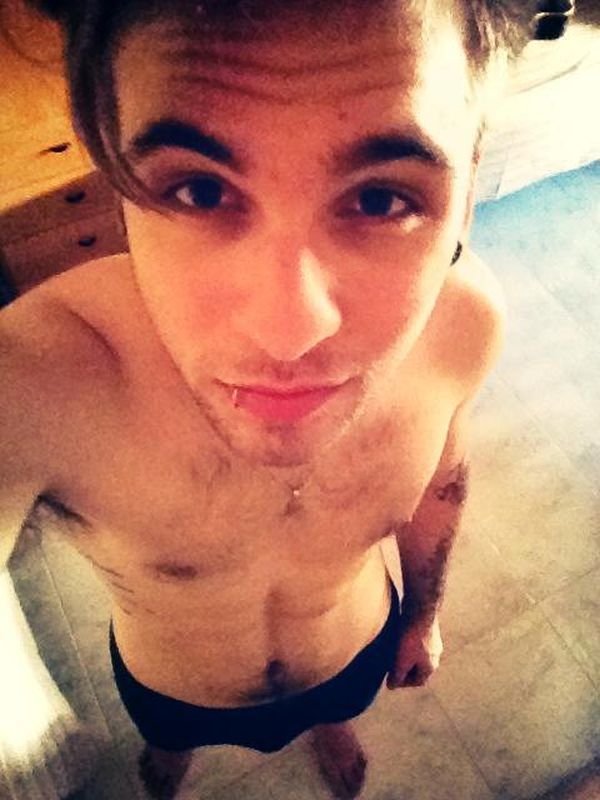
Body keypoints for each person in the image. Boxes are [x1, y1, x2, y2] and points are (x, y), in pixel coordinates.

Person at [1, 1, 529, 797]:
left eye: (380, 199)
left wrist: (422, 617)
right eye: (199, 190)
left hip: (353, 654)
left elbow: (443, 484)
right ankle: (170, 756)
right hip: (174, 691)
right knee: (168, 745)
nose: (289, 334)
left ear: (469, 178)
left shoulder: (466, 324)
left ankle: (332, 725)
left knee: (338, 709)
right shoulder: (37, 377)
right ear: (108, 155)